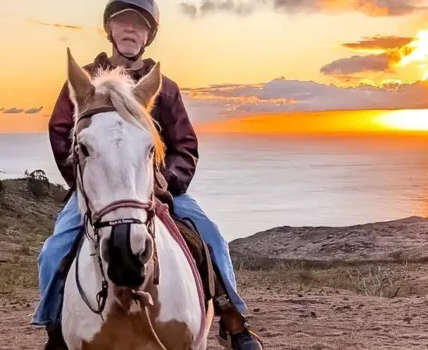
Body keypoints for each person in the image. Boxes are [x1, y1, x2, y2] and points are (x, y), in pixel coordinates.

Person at [31, 1, 262, 349]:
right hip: (99, 191)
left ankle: (233, 320)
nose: (129, 30)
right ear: (109, 29)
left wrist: (169, 179)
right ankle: (54, 328)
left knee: (212, 237)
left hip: (157, 187)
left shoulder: (164, 88)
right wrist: (88, 182)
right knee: (54, 252)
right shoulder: (84, 81)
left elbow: (184, 143)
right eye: (122, 23)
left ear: (148, 35)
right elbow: (61, 130)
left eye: (138, 25)